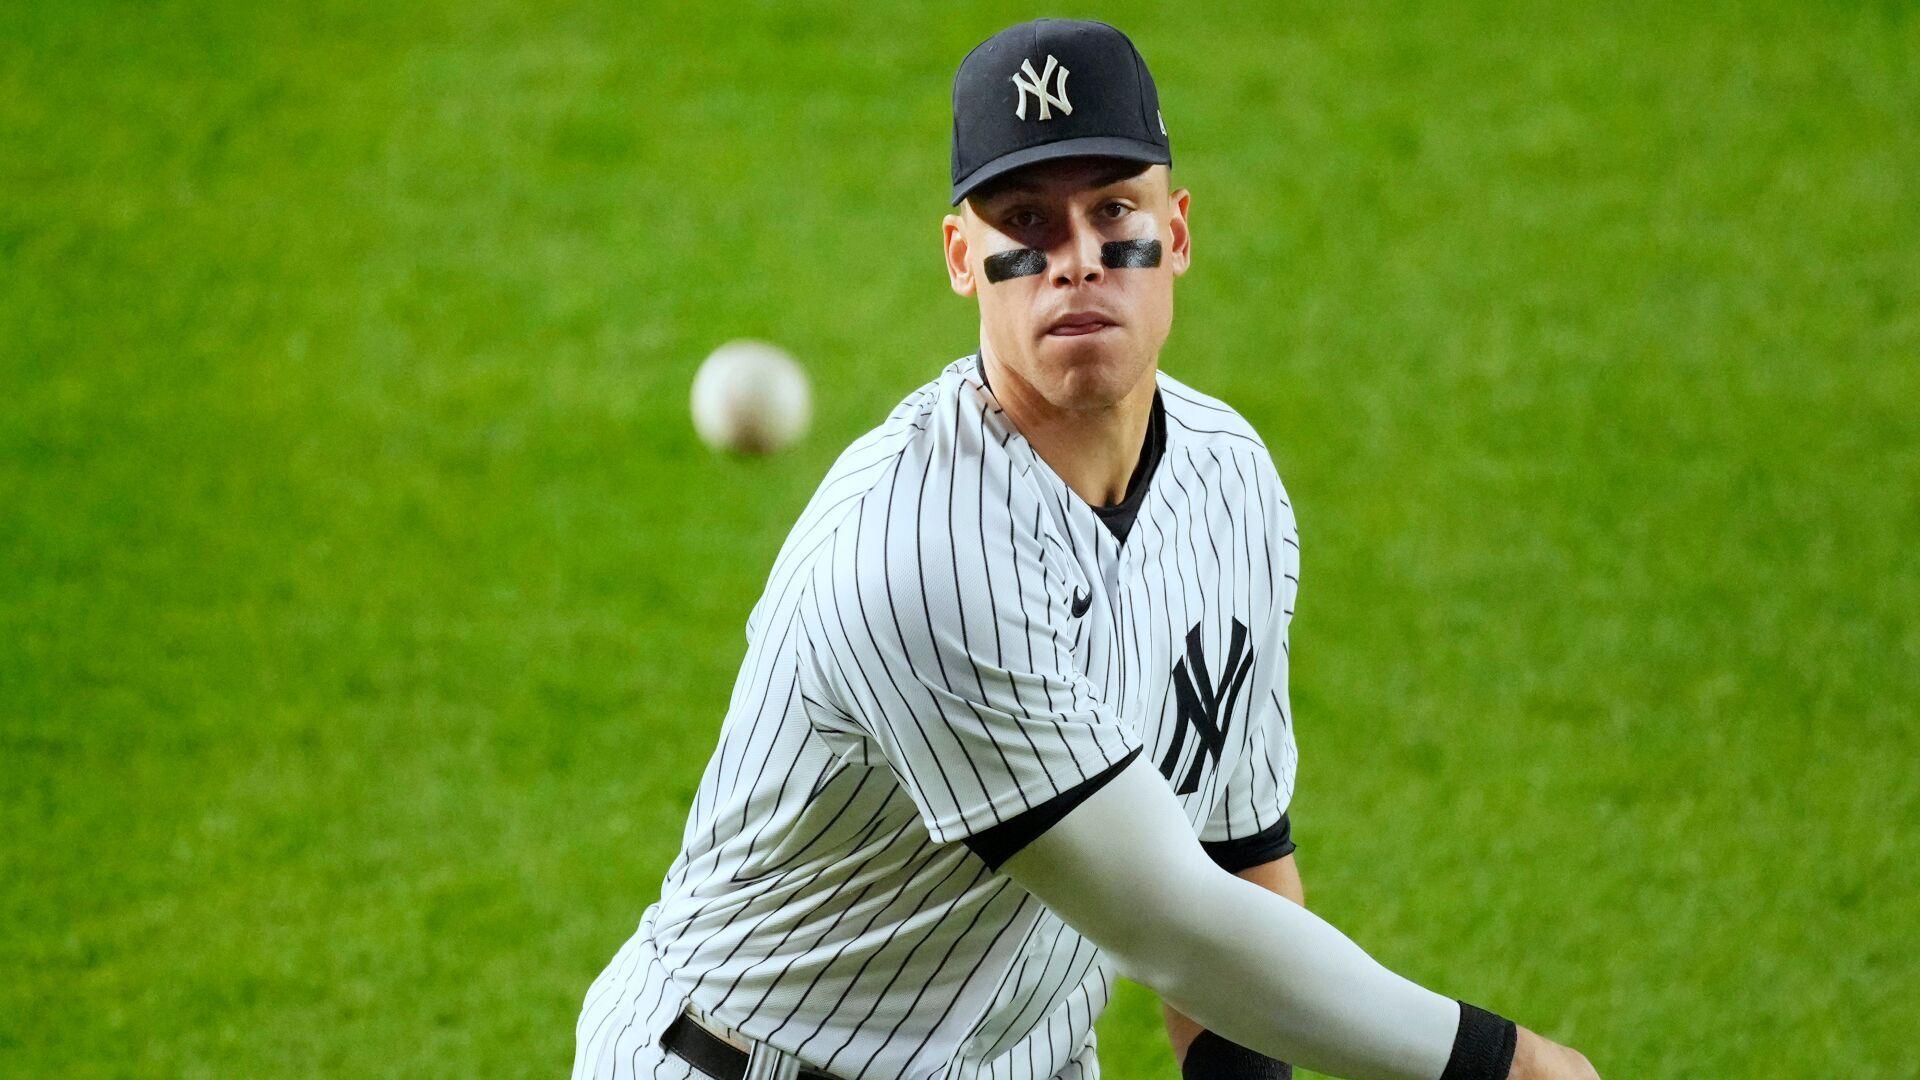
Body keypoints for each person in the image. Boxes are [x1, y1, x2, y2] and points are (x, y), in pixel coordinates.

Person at [573, 18, 1601, 1080]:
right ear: (963, 260)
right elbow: (1174, 928)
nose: (1075, 261)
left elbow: (1238, 861)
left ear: (1180, 232)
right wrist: (1501, 1063)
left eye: (1113, 211)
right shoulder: (919, 556)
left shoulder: (1230, 481)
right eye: (1026, 220)